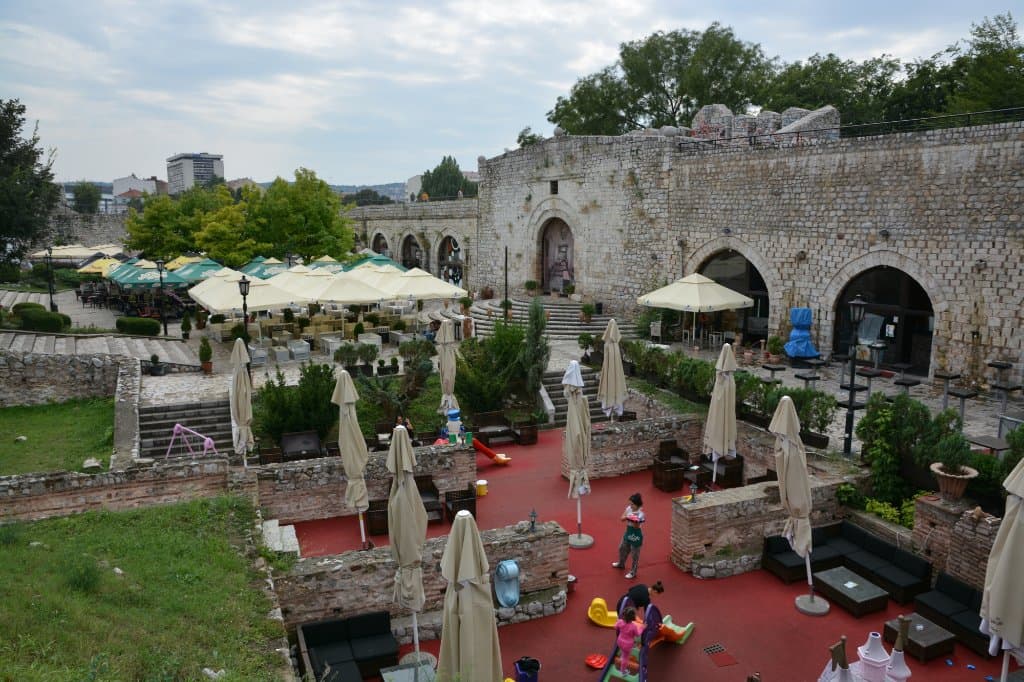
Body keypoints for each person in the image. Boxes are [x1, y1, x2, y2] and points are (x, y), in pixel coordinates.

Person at [612, 492, 645, 579]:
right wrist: (628, 517)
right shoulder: (629, 509)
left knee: (635, 555)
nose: (630, 506)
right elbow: (622, 518)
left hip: (636, 534)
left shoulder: (641, 514)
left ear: (637, 505)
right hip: (628, 531)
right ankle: (621, 564)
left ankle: (633, 572)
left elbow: (636, 526)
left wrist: (634, 520)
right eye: (630, 503)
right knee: (622, 548)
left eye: (632, 504)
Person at [614, 605, 644, 673]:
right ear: (633, 617)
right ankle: (623, 671)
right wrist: (642, 627)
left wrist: (617, 621)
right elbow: (638, 634)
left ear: (623, 615)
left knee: (623, 651)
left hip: (619, 641)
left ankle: (622, 657)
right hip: (628, 645)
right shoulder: (633, 626)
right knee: (626, 658)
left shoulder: (620, 622)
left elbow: (615, 627)